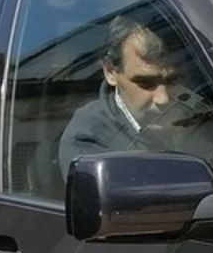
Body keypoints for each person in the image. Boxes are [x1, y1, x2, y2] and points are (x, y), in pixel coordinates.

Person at [55, 16, 199, 179]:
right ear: (110, 72)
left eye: (173, 81)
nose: (163, 98)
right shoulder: (88, 140)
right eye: (146, 83)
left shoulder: (206, 114)